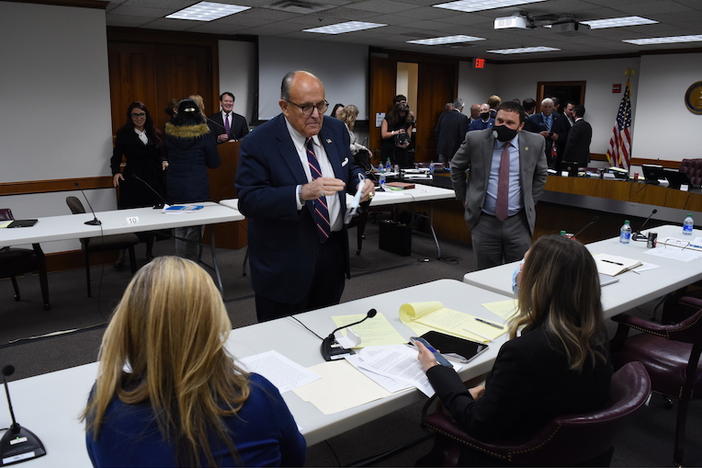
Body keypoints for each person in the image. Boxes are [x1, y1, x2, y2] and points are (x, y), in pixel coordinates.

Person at [83, 256, 306, 467]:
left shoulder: (104, 402)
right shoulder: (258, 397)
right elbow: (295, 458)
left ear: (127, 324)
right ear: (213, 322)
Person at [416, 235, 612, 464]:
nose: (518, 274)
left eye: (523, 266)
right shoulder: (595, 331)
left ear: (539, 282)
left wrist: (435, 368)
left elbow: (478, 424)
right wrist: (488, 388)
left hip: (521, 453)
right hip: (574, 449)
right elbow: (542, 384)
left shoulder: (524, 352)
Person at [236, 71, 374, 322]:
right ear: (284, 106)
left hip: (331, 254)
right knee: (283, 342)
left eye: (321, 105)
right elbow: (249, 199)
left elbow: (349, 166)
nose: (316, 115)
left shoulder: (335, 129)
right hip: (284, 261)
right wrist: (301, 193)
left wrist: (360, 182)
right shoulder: (259, 142)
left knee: (325, 331)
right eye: (306, 107)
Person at [451, 101, 548, 270]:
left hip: (518, 222)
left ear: (521, 126)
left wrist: (530, 201)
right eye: (500, 121)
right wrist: (465, 198)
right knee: (485, 274)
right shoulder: (476, 139)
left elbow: (541, 174)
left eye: (510, 123)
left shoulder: (535, 142)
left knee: (520, 273)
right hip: (484, 221)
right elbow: (456, 167)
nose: (503, 126)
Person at [163, 98, 220, 260]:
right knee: (194, 230)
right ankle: (192, 269)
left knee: (179, 229)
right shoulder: (204, 133)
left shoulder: (169, 131)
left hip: (175, 187)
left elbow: (163, 153)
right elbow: (214, 162)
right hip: (197, 187)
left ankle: (181, 266)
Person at [110, 102, 165, 261]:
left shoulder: (155, 132)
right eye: (135, 115)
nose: (139, 118)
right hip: (133, 179)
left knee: (151, 216)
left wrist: (163, 160)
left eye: (142, 114)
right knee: (129, 217)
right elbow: (116, 156)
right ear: (130, 117)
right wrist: (115, 173)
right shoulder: (124, 133)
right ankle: (123, 253)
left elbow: (161, 153)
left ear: (146, 116)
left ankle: (149, 251)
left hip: (153, 179)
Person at [381, 95, 415, 168]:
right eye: (401, 112)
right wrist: (396, 132)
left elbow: (409, 138)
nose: (403, 115)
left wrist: (405, 144)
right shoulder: (388, 119)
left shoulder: (408, 121)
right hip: (389, 149)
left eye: (404, 113)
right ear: (397, 112)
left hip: (402, 151)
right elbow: (384, 135)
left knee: (403, 170)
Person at [526, 98, 558, 167]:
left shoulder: (558, 118)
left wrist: (558, 136)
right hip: (537, 150)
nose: (547, 109)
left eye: (550, 107)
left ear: (553, 108)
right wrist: (538, 135)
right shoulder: (533, 118)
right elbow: (526, 135)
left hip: (553, 151)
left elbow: (564, 133)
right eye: (545, 107)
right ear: (541, 107)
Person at [435, 98, 470, 163]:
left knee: (441, 171)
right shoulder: (463, 117)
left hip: (442, 148)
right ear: (462, 107)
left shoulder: (443, 115)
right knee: (452, 171)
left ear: (453, 106)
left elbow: (437, 131)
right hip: (455, 150)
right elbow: (462, 136)